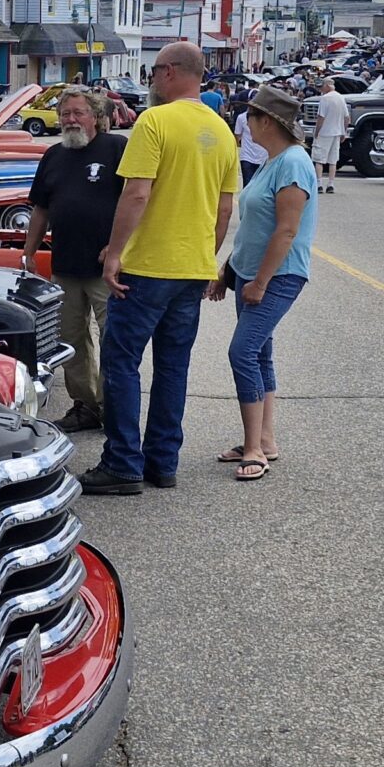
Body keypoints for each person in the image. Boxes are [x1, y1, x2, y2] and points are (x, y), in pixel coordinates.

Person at [84, 41, 239, 497]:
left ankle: (122, 462)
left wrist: (114, 253)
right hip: (191, 268)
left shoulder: (154, 121)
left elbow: (136, 194)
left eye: (153, 72)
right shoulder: (222, 129)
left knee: (122, 362)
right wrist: (205, 256)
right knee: (173, 367)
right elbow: (225, 208)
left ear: (170, 72)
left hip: (148, 266)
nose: (151, 81)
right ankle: (162, 461)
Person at [211, 87, 314, 483]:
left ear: (266, 122)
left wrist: (261, 282)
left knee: (243, 352)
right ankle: (264, 440)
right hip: (252, 273)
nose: (246, 123)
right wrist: (229, 273)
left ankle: (254, 449)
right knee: (260, 355)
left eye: (250, 117)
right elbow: (254, 229)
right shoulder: (273, 161)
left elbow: (287, 230)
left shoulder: (293, 163)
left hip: (279, 275)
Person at [20, 87, 127, 433]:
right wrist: (29, 252)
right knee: (71, 340)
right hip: (65, 265)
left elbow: (139, 202)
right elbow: (41, 209)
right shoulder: (53, 155)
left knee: (114, 337)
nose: (71, 120)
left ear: (95, 116)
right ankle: (85, 405)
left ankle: (115, 407)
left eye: (78, 113)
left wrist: (118, 246)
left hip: (107, 269)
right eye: (65, 113)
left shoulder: (117, 149)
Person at [309, 80, 350, 193]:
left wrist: (316, 132)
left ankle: (319, 184)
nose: (321, 90)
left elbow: (320, 117)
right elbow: (347, 118)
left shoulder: (325, 98)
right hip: (337, 132)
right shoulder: (341, 98)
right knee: (333, 160)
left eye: (322, 87)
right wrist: (344, 132)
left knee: (319, 159)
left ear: (327, 86)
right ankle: (331, 184)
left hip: (324, 132)